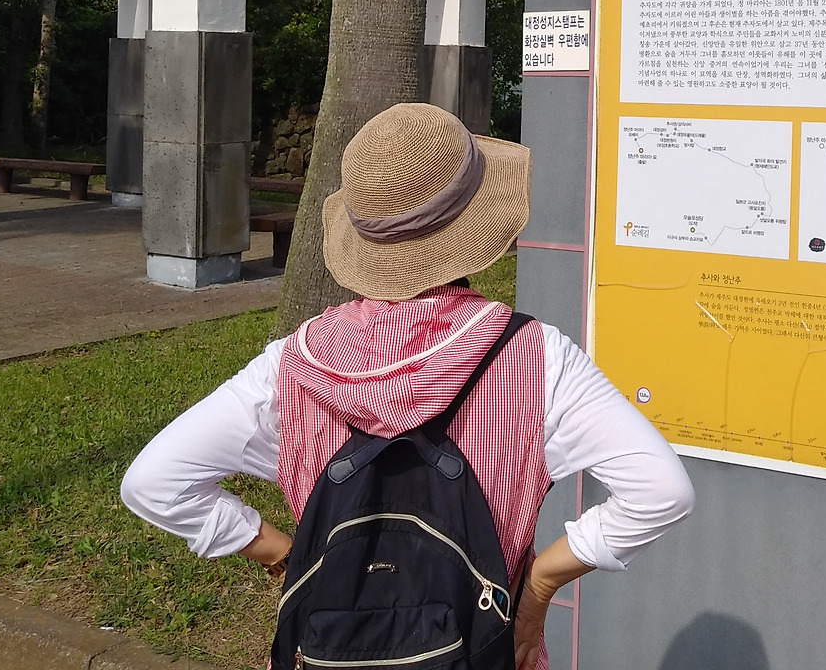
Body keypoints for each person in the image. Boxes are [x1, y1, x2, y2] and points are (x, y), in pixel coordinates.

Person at [121, 103, 695, 670]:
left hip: (331, 648)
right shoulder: (536, 357)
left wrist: (282, 555)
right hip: (483, 648)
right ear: (475, 224)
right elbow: (661, 493)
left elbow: (154, 482)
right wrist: (540, 584)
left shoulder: (291, 366)